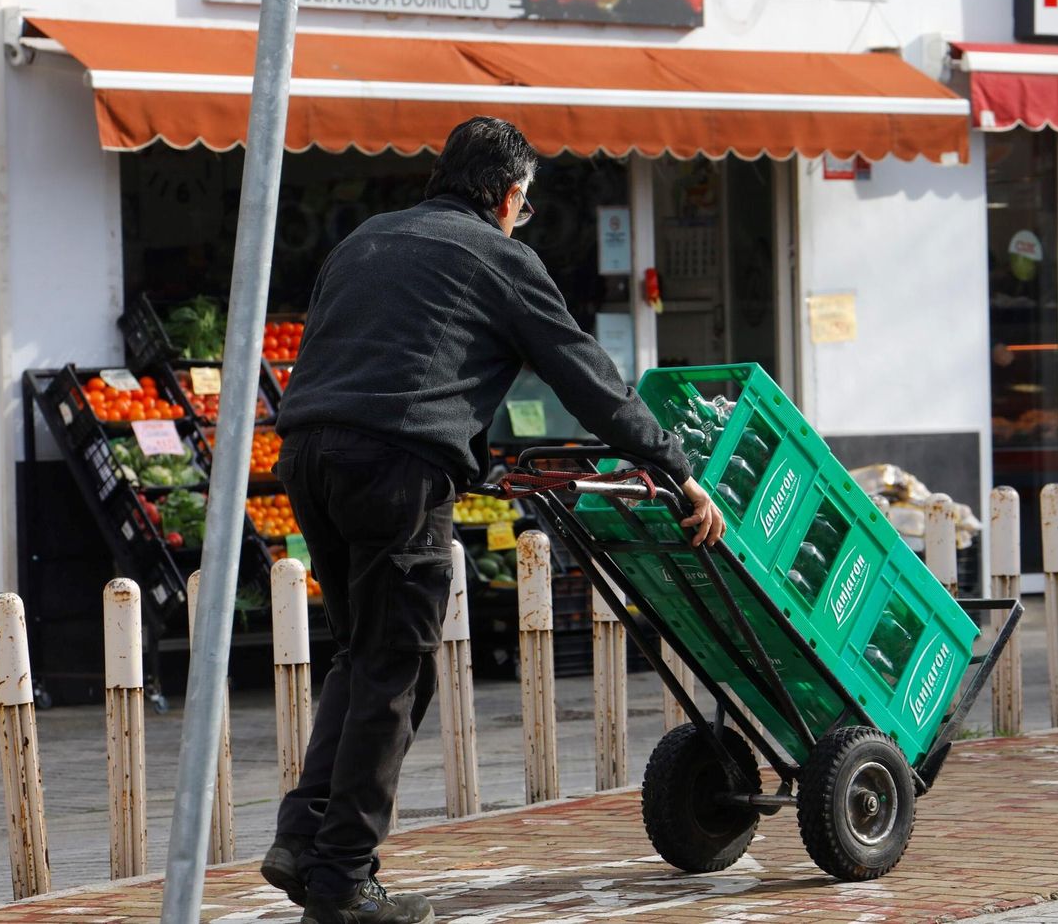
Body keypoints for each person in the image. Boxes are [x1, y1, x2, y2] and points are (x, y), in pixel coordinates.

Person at [263, 116, 726, 924]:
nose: (525, 216)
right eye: (527, 203)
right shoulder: (500, 257)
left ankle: (303, 840)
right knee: (397, 668)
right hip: (396, 468)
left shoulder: (368, 238)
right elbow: (584, 374)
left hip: (307, 456)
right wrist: (675, 468)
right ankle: (340, 881)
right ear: (509, 195)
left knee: (361, 654)